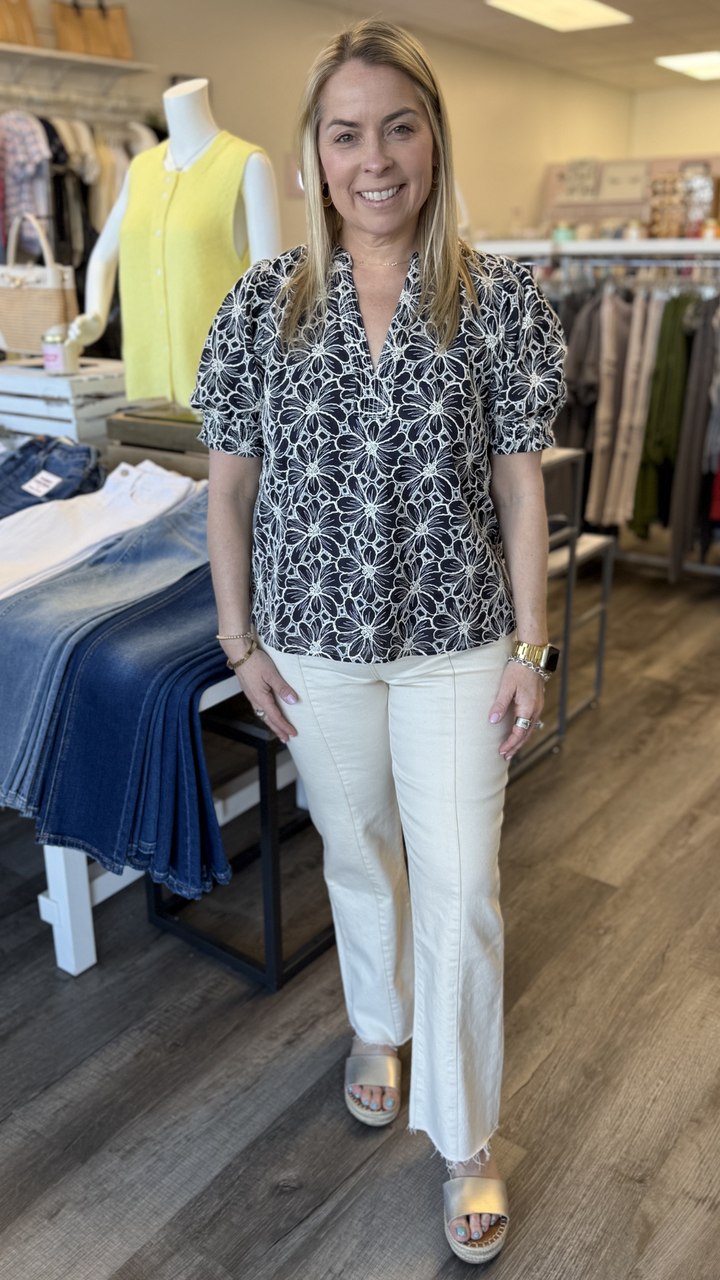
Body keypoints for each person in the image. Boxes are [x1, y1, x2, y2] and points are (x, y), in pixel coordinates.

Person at [191, 18, 565, 1265]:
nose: (376, 157)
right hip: (310, 648)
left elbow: (521, 487)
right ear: (313, 155)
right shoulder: (262, 306)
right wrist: (239, 642)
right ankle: (375, 1022)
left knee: (461, 886)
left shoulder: (500, 299)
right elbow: (230, 490)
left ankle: (466, 1134)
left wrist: (534, 644)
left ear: (434, 140)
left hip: (461, 641)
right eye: (346, 132)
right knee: (355, 850)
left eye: (399, 125)